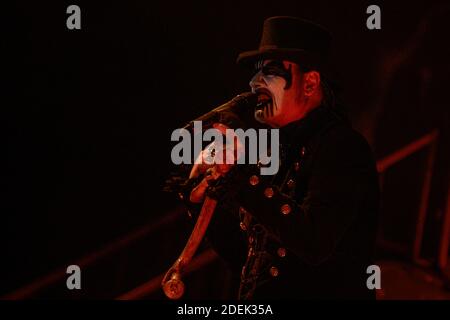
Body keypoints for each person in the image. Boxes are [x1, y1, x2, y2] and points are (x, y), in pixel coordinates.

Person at [175, 16, 380, 300]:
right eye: (256, 73)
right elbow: (247, 261)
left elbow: (314, 243)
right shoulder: (272, 154)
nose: (254, 82)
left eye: (270, 72)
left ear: (309, 83)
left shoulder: (342, 148)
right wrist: (202, 196)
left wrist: (240, 178)